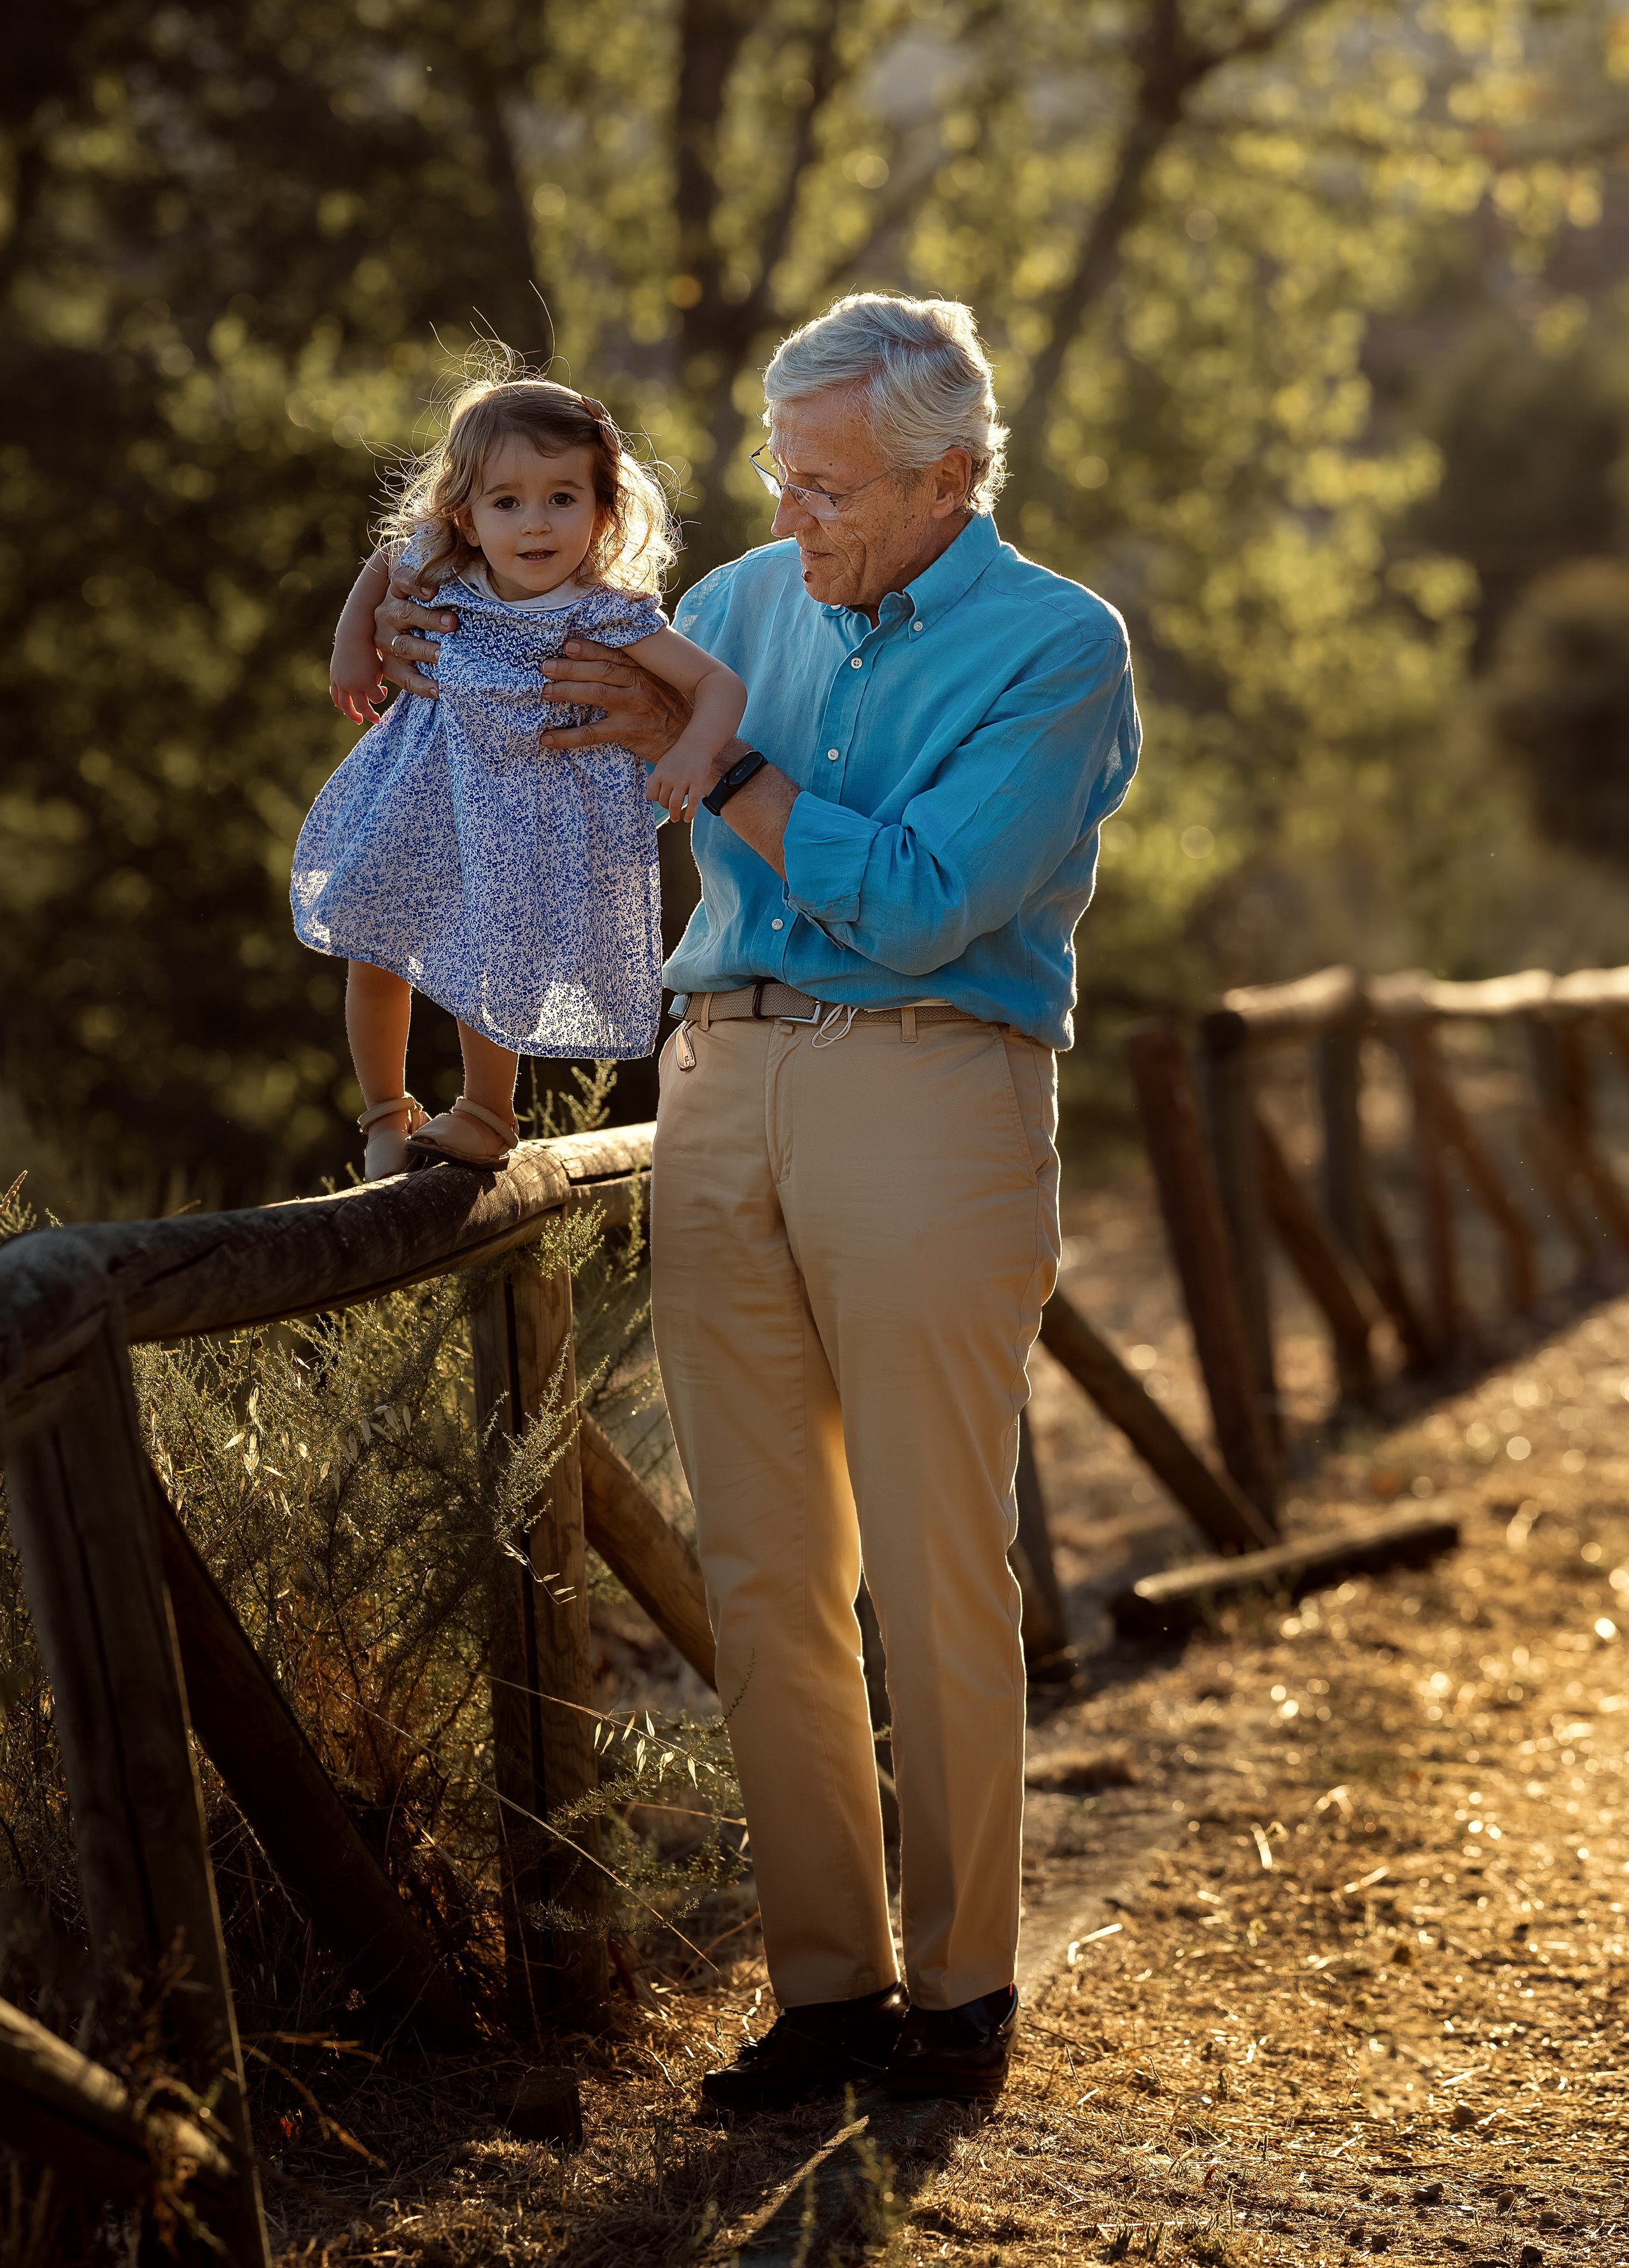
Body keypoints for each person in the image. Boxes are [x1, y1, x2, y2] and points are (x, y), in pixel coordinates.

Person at [368, 294, 1140, 2104]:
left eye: (835, 489)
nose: (793, 521)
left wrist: (717, 763)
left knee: (941, 1562)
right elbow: (556, 731)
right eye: (783, 480)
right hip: (716, 1081)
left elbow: (933, 894)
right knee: (766, 1565)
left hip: (933, 1080)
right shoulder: (737, 609)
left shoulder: (1056, 644)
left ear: (953, 476)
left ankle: (962, 1992)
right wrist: (419, 634)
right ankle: (828, 1992)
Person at [291, 371, 745, 1178]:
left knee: (496, 955)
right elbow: (384, 561)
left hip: (527, 816)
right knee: (374, 948)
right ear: (465, 513)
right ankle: (385, 1119)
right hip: (421, 795)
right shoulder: (442, 567)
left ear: (602, 507)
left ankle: (486, 1113)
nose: (535, 524)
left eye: (562, 498)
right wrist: (350, 645)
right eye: (507, 503)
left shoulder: (601, 608)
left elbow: (718, 685)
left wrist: (689, 753)